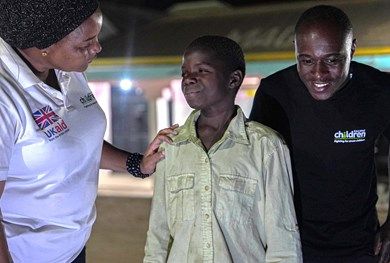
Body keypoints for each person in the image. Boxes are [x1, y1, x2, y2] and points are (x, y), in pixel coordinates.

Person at [0, 0, 177, 262]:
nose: (97, 48)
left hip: (73, 248)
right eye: (85, 44)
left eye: (96, 37)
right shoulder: (6, 98)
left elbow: (76, 140)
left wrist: (137, 163)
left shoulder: (66, 70)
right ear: (43, 45)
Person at [250, 5, 390, 263]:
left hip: (361, 246)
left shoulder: (379, 91)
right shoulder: (274, 93)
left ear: (353, 49)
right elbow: (253, 168)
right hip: (292, 244)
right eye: (306, 60)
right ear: (295, 49)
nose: (318, 73)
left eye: (332, 60)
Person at [143, 35, 302, 263]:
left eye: (202, 71)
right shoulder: (171, 146)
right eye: (184, 72)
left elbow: (283, 239)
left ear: (233, 79)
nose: (188, 79)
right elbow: (158, 235)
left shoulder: (266, 147)